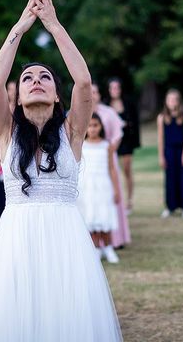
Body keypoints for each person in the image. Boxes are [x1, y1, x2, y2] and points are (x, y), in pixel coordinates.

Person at [0, 0, 122, 341]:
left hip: (66, 241)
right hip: (16, 240)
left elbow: (83, 83)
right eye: (27, 78)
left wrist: (53, 25)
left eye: (45, 78)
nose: (36, 81)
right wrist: (20, 27)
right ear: (18, 97)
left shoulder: (73, 132)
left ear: (57, 95)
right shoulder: (6, 134)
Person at [77, 113, 120, 264]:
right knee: (91, 217)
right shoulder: (81, 145)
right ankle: (96, 249)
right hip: (87, 186)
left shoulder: (107, 145)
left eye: (95, 125)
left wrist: (116, 189)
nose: (93, 129)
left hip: (103, 185)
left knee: (104, 216)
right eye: (90, 126)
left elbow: (112, 168)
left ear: (101, 127)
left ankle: (108, 247)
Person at [92, 84, 131, 248]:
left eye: (95, 92)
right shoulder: (78, 112)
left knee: (111, 193)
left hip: (106, 155)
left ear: (100, 94)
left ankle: (116, 239)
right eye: (89, 92)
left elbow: (118, 133)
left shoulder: (108, 112)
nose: (92, 95)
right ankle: (94, 240)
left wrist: (110, 148)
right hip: (88, 158)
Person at [157, 89, 183, 219]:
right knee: (170, 179)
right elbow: (161, 139)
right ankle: (170, 207)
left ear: (178, 101)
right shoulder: (161, 118)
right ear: (166, 102)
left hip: (181, 150)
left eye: (174, 99)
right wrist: (161, 156)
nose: (172, 102)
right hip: (169, 151)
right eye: (169, 99)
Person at [107, 78, 140, 212]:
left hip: (126, 140)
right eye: (112, 88)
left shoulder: (128, 103)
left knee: (126, 169)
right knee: (112, 171)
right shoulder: (106, 105)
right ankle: (114, 199)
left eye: (117, 87)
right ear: (109, 90)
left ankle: (129, 200)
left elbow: (135, 123)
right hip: (112, 141)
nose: (115, 90)